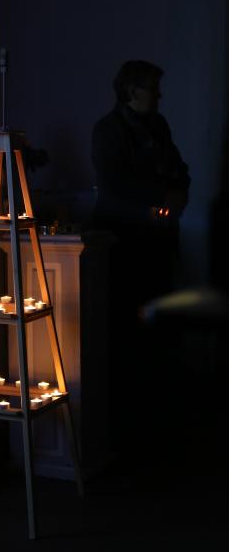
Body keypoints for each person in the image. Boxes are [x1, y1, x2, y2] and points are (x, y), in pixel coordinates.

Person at [91, 60, 191, 460]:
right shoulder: (108, 130)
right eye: (152, 88)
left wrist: (175, 198)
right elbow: (115, 185)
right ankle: (127, 428)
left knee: (159, 323)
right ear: (131, 90)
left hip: (157, 243)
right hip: (127, 244)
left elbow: (180, 170)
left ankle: (155, 420)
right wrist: (159, 204)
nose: (158, 95)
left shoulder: (158, 126)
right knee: (128, 331)